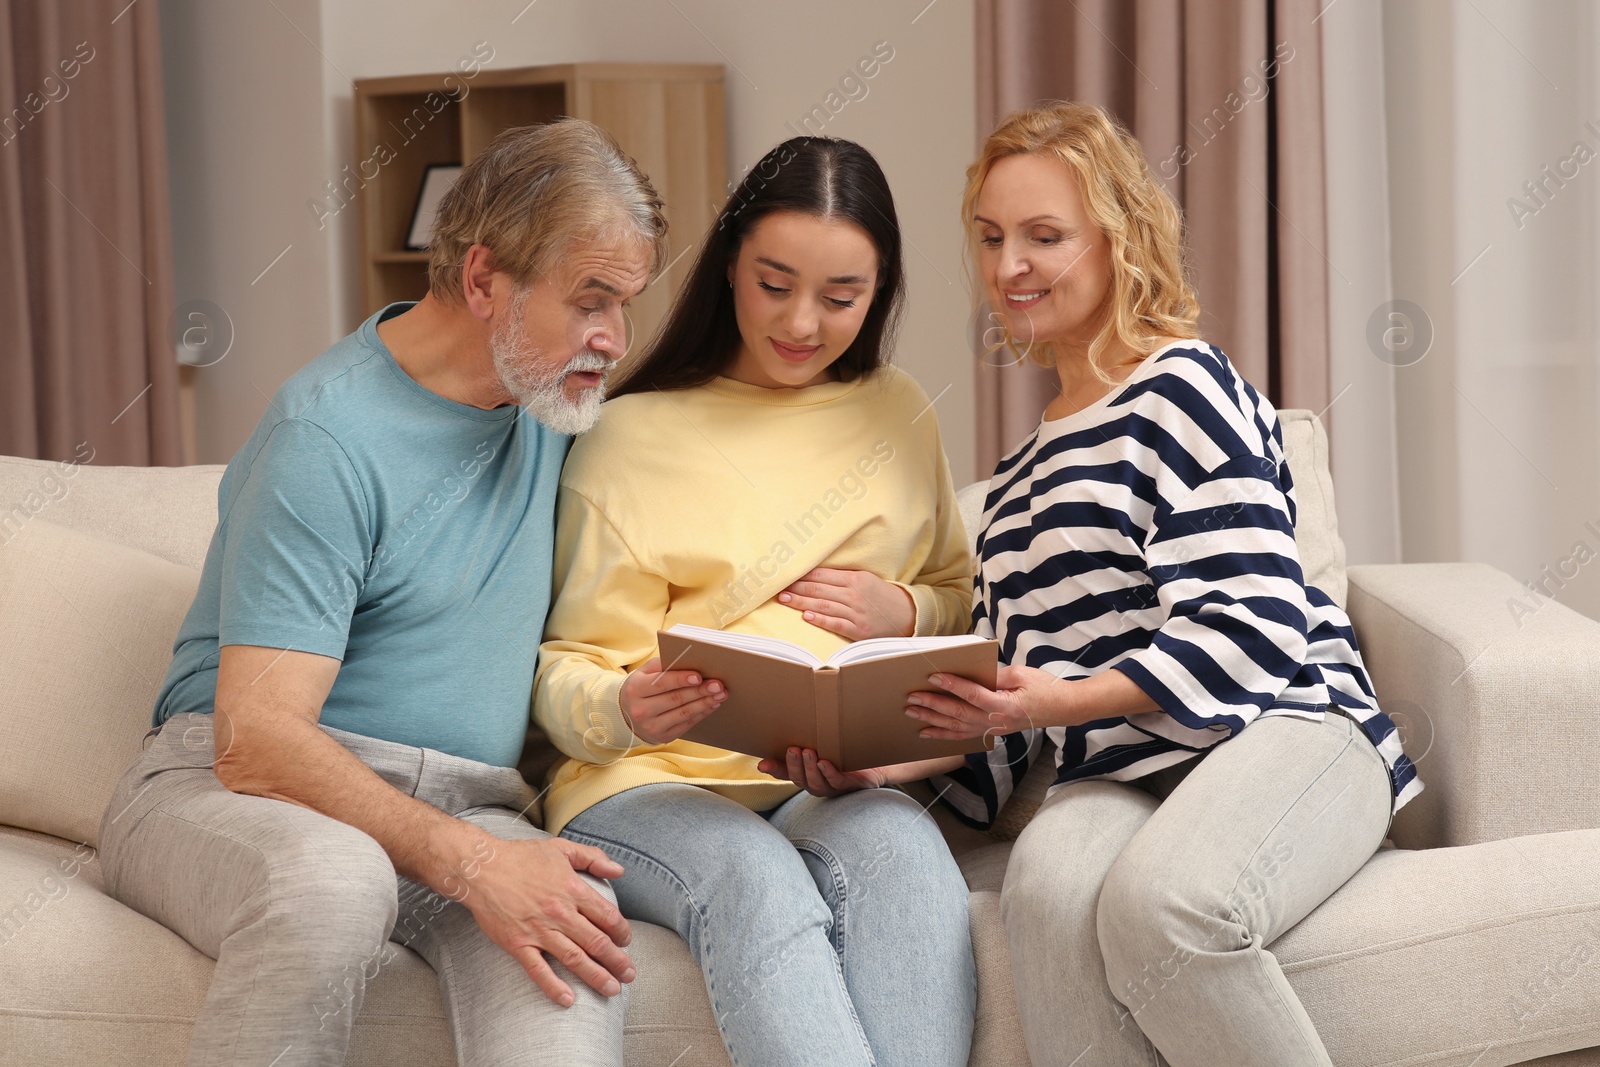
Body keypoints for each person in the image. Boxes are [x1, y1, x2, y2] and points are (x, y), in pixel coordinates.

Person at [97, 119, 667, 1067]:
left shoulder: (553, 403)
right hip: (231, 789)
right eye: (592, 301)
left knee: (579, 937)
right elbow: (257, 738)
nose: (615, 339)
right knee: (334, 878)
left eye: (627, 303)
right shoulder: (326, 438)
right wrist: (474, 861)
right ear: (484, 280)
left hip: (464, 806)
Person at [901, 101, 1424, 1067]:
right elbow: (1006, 738)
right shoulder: (1009, 492)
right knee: (1047, 893)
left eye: (1043, 236)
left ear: (1119, 238)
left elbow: (1255, 626)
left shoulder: (1183, 385)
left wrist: (1067, 697)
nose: (1008, 264)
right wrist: (878, 760)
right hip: (1123, 770)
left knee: (1163, 904)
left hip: (1292, 726)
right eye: (990, 237)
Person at [533, 136, 977, 1067]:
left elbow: (957, 597)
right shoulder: (629, 434)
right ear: (730, 263)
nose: (803, 323)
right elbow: (565, 667)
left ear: (882, 289)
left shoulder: (899, 411)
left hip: (826, 778)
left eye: (841, 297)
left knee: (906, 857)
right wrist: (623, 703)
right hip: (646, 783)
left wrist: (903, 611)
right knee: (752, 877)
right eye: (775, 284)